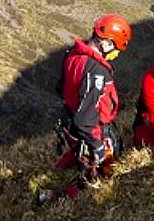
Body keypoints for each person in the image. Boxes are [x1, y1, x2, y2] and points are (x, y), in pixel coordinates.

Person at [39, 13, 132, 205]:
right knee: (100, 172)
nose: (117, 54)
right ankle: (58, 197)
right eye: (116, 48)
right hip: (88, 128)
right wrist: (97, 146)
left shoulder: (73, 53)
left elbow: (61, 87)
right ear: (105, 43)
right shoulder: (96, 71)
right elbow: (85, 119)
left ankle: (63, 165)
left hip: (70, 122)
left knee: (88, 147)